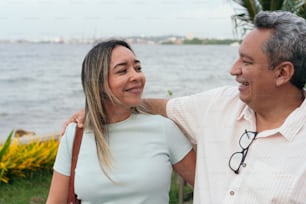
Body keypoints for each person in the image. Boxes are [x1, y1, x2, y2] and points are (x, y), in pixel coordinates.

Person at [47, 40, 196, 204]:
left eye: (138, 68)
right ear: (99, 82)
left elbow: (209, 186)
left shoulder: (164, 129)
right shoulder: (75, 135)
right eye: (123, 71)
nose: (137, 76)